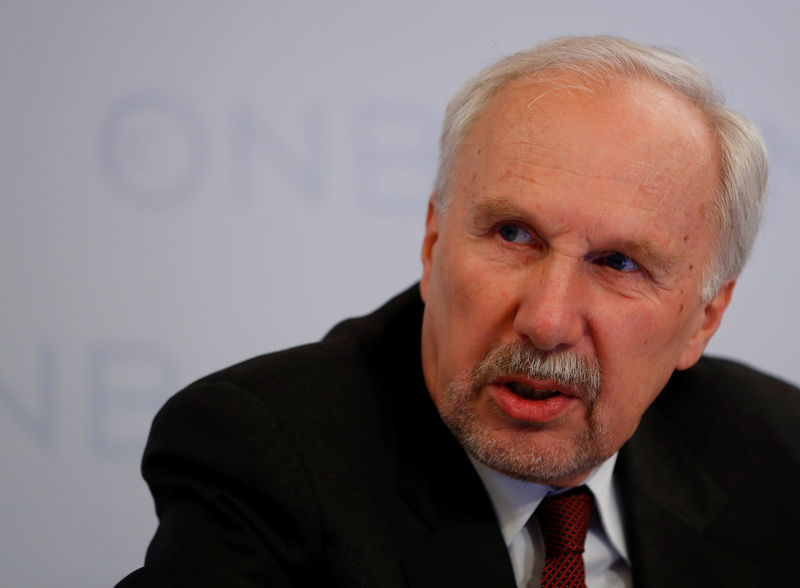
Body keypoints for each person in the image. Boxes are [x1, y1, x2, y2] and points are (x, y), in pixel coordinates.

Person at [117, 36, 800, 587]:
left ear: (705, 318)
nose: (547, 321)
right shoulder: (266, 456)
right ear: (433, 241)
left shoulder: (776, 455)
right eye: (513, 235)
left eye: (619, 264)